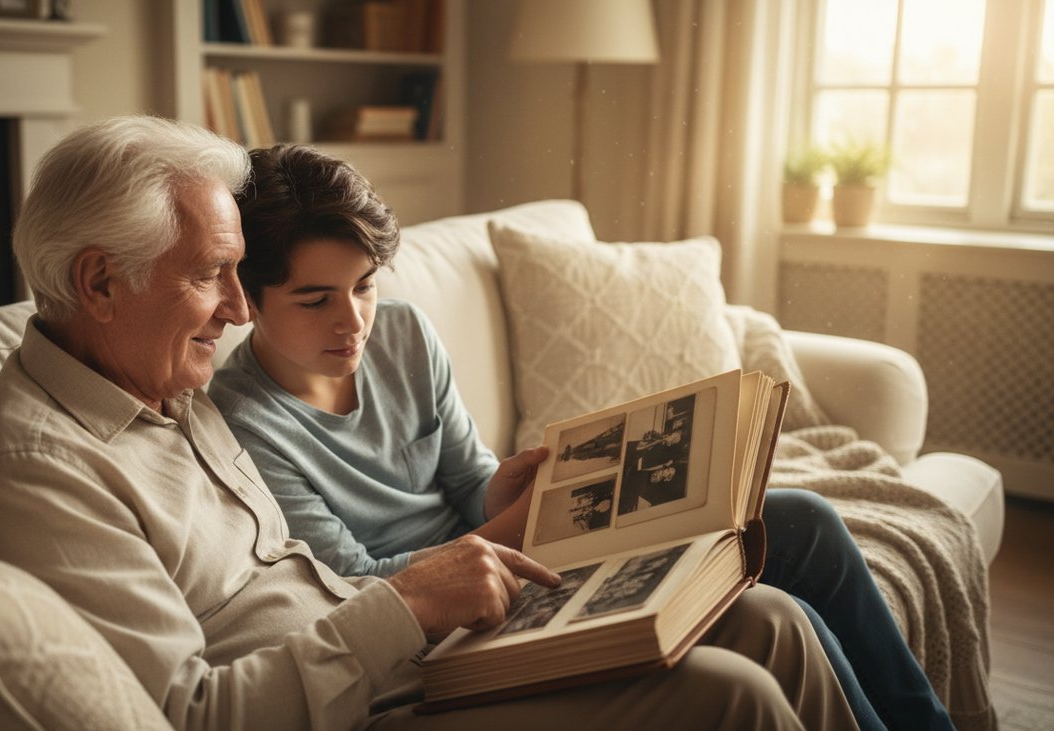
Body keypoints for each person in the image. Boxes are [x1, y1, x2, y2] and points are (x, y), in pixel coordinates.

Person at [0, 116, 858, 731]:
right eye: (213, 275)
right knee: (731, 694)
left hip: (410, 650)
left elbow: (369, 538)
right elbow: (192, 710)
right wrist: (411, 603)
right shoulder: (35, 468)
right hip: (375, 696)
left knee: (771, 619)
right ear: (99, 281)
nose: (240, 311)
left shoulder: (157, 388)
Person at [209, 143, 956, 731]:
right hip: (448, 624)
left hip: (518, 553)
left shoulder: (401, 334)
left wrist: (523, 482)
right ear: (246, 296)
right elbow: (353, 585)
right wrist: (517, 523)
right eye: (316, 299)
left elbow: (470, 482)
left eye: (365, 284)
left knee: (804, 522)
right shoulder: (245, 421)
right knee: (771, 607)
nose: (353, 321)